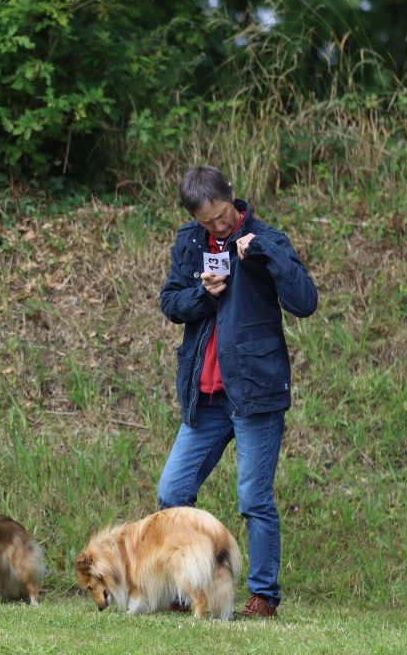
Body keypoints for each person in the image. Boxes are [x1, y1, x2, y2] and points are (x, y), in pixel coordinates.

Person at [157, 165, 317, 618]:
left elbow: (305, 301)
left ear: (232, 195)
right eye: (208, 221)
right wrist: (205, 295)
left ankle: (263, 596)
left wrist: (265, 252)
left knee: (253, 499)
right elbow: (171, 302)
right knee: (171, 492)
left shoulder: (267, 237)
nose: (218, 226)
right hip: (204, 397)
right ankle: (187, 590)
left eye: (223, 215)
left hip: (256, 392)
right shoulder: (189, 242)